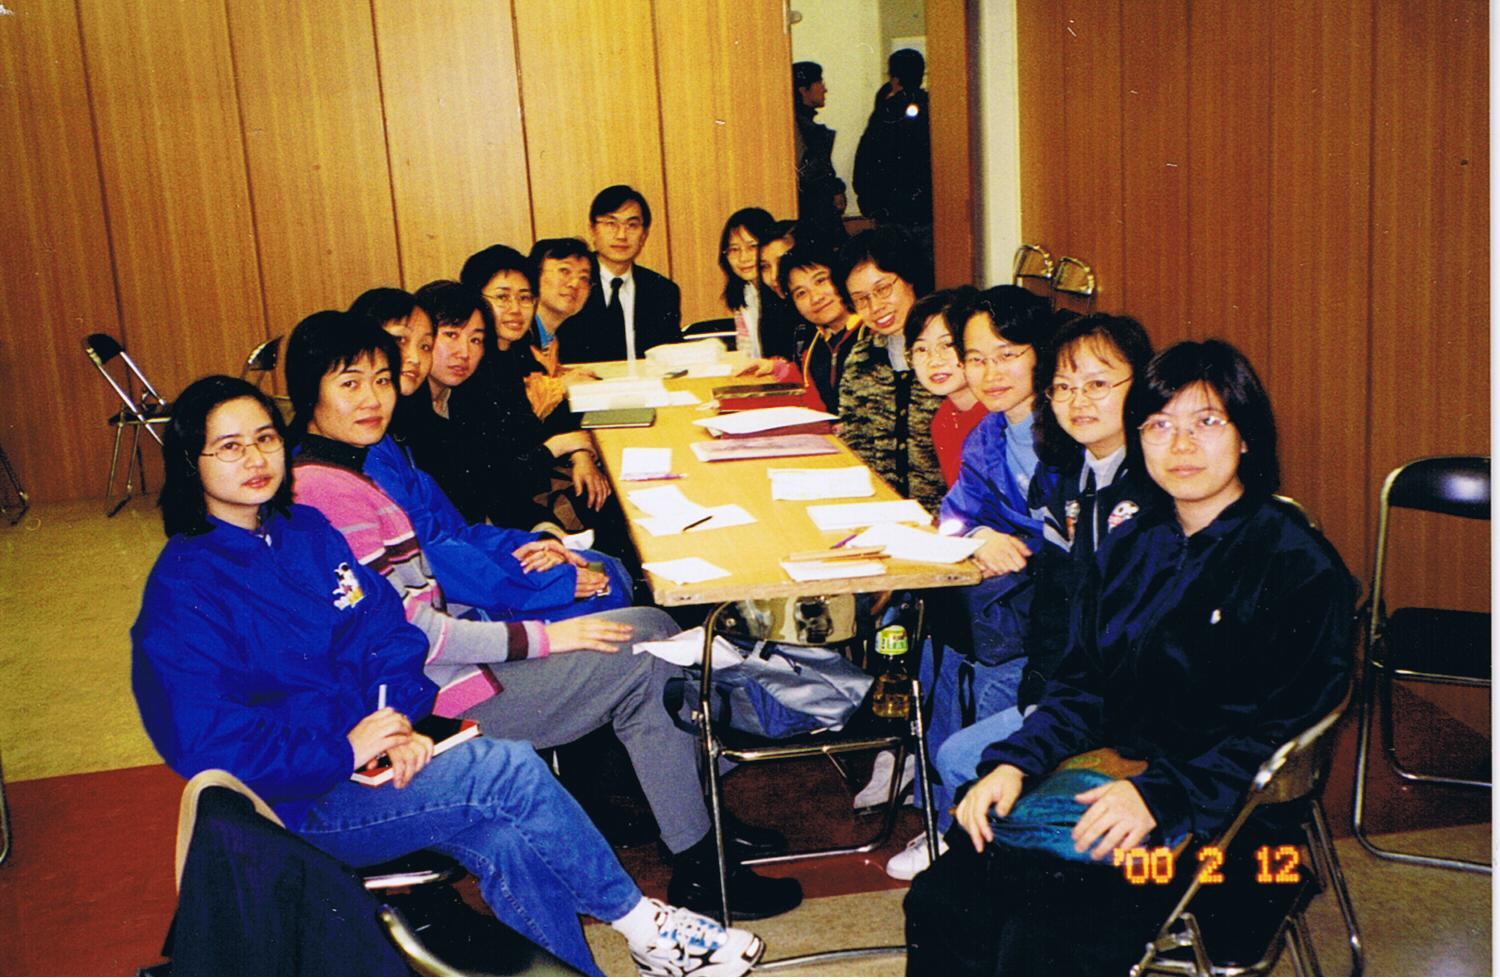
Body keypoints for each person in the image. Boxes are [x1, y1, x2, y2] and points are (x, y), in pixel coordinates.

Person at [130, 375, 767, 977]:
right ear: (191, 463)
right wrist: (344, 749)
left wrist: (395, 722)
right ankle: (647, 928)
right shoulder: (185, 587)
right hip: (297, 801)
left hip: (375, 758)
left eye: (265, 438)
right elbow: (207, 741)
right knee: (506, 768)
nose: (255, 459)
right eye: (229, 447)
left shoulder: (305, 532)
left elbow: (389, 636)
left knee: (507, 837)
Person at [282, 318, 802, 921]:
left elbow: (432, 582)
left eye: (380, 380)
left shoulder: (353, 467)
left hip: (446, 670)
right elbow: (418, 634)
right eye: (350, 383)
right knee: (648, 661)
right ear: (309, 391)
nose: (373, 398)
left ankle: (698, 835)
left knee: (655, 628)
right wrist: (547, 637)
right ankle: (700, 863)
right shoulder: (328, 492)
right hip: (433, 701)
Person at [904, 340, 1356, 975]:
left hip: (1229, 829)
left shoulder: (1296, 566)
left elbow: (1283, 727)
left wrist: (1160, 796)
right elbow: (1080, 684)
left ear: (1247, 436)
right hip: (1114, 780)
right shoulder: (1129, 545)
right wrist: (1015, 762)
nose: (1181, 445)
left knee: (1044, 937)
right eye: (1159, 425)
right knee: (942, 898)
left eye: (1207, 422)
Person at [893, 312, 1154, 882]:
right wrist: (1043, 702)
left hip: (1133, 713)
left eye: (1098, 384)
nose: (1078, 401)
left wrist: (1048, 715)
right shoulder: (1065, 474)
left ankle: (988, 855)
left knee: (965, 750)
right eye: (1065, 387)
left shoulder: (1152, 488)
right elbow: (1057, 607)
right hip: (1075, 689)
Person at [873, 285, 1057, 876]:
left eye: (1007, 355)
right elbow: (954, 515)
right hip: (1005, 594)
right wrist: (978, 536)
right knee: (938, 634)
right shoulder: (989, 432)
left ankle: (961, 821)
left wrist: (1015, 545)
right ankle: (940, 805)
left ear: (1040, 353)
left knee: (979, 639)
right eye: (977, 358)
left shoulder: (1067, 431)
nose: (989, 373)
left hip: (1041, 615)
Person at [834, 227, 945, 513]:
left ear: (909, 278)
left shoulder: (948, 353)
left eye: (883, 289)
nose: (875, 307)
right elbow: (856, 447)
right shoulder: (860, 360)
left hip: (949, 519)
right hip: (884, 514)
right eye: (861, 299)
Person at [556, 185, 683, 364]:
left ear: (644, 234)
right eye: (611, 224)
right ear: (592, 229)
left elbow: (670, 359)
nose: (621, 235)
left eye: (632, 225)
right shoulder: (570, 284)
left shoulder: (662, 291)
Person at [903, 287, 986, 487]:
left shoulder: (997, 419)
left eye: (947, 345)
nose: (934, 360)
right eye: (921, 349)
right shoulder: (943, 419)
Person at [852, 48, 933, 247]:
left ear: (894, 79)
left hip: (890, 210)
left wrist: (869, 203)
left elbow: (866, 159)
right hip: (927, 207)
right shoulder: (933, 108)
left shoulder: (884, 113)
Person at [779, 243, 862, 413]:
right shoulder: (812, 349)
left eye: (820, 281)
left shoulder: (873, 333)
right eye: (801, 293)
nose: (815, 298)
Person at [792, 62, 845, 247]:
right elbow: (812, 174)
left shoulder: (806, 127)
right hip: (814, 218)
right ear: (803, 90)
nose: (825, 89)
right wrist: (834, 187)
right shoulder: (803, 129)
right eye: (820, 82)